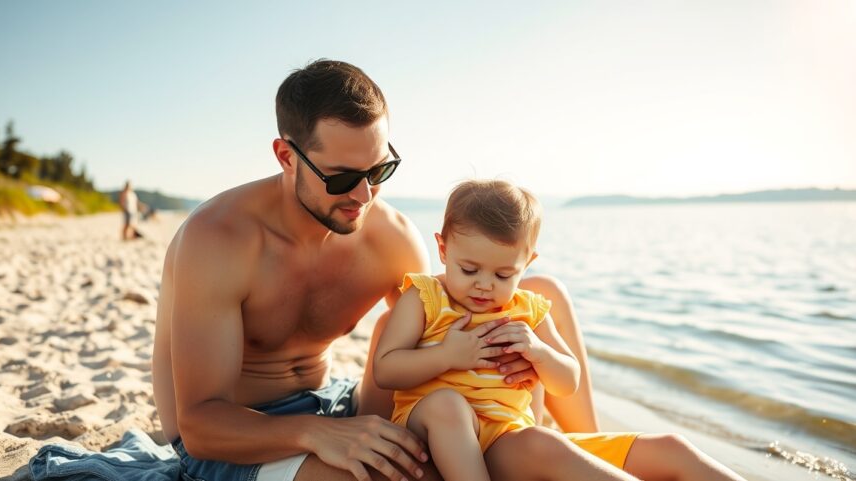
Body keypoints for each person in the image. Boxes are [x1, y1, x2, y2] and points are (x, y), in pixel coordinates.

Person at [152, 59, 648, 481]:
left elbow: (434, 343)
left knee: (539, 294)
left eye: (379, 171)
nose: (364, 195)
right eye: (343, 177)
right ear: (287, 156)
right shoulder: (217, 241)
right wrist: (318, 432)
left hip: (339, 403)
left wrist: (518, 358)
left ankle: (577, 444)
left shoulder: (390, 236)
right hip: (236, 436)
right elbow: (199, 425)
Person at [374, 179, 748, 481]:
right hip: (436, 435)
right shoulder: (425, 298)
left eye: (504, 274)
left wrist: (539, 353)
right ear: (442, 249)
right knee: (448, 405)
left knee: (670, 447)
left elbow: (567, 381)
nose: (484, 285)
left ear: (527, 262)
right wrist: (446, 356)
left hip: (507, 443)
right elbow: (385, 369)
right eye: (469, 270)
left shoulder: (528, 310)